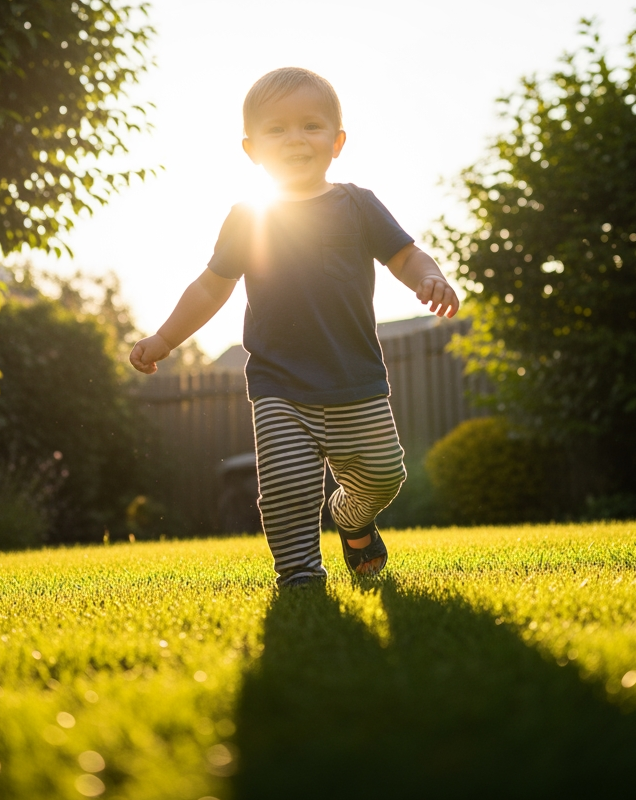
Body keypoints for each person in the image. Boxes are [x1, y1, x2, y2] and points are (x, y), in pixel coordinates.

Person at [129, 67, 459, 586]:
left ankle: (352, 519)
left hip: (356, 381)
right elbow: (211, 286)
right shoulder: (249, 217)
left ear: (337, 141)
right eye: (276, 129)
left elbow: (405, 255)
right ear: (251, 149)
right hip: (279, 384)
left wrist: (430, 277)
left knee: (383, 475)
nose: (295, 139)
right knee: (285, 484)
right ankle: (300, 576)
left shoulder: (358, 205)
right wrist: (164, 339)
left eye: (310, 125)